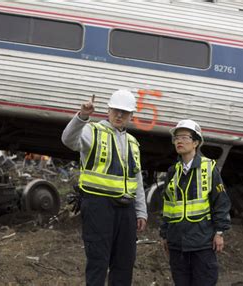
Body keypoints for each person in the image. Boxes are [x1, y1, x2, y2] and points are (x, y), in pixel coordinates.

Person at [61, 89, 147, 286]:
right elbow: (68, 140)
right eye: (116, 110)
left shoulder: (133, 143)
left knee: (124, 264)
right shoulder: (93, 131)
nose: (119, 115)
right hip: (99, 207)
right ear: (108, 110)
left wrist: (141, 211)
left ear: (131, 115)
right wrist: (82, 116)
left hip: (126, 210)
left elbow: (137, 179)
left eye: (124, 112)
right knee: (98, 263)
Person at [160, 119, 231, 286]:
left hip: (202, 242)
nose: (179, 141)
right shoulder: (173, 172)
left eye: (184, 137)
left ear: (196, 142)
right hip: (177, 243)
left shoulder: (209, 168)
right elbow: (168, 206)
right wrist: (164, 234)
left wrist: (219, 232)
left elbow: (220, 201)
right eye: (176, 137)